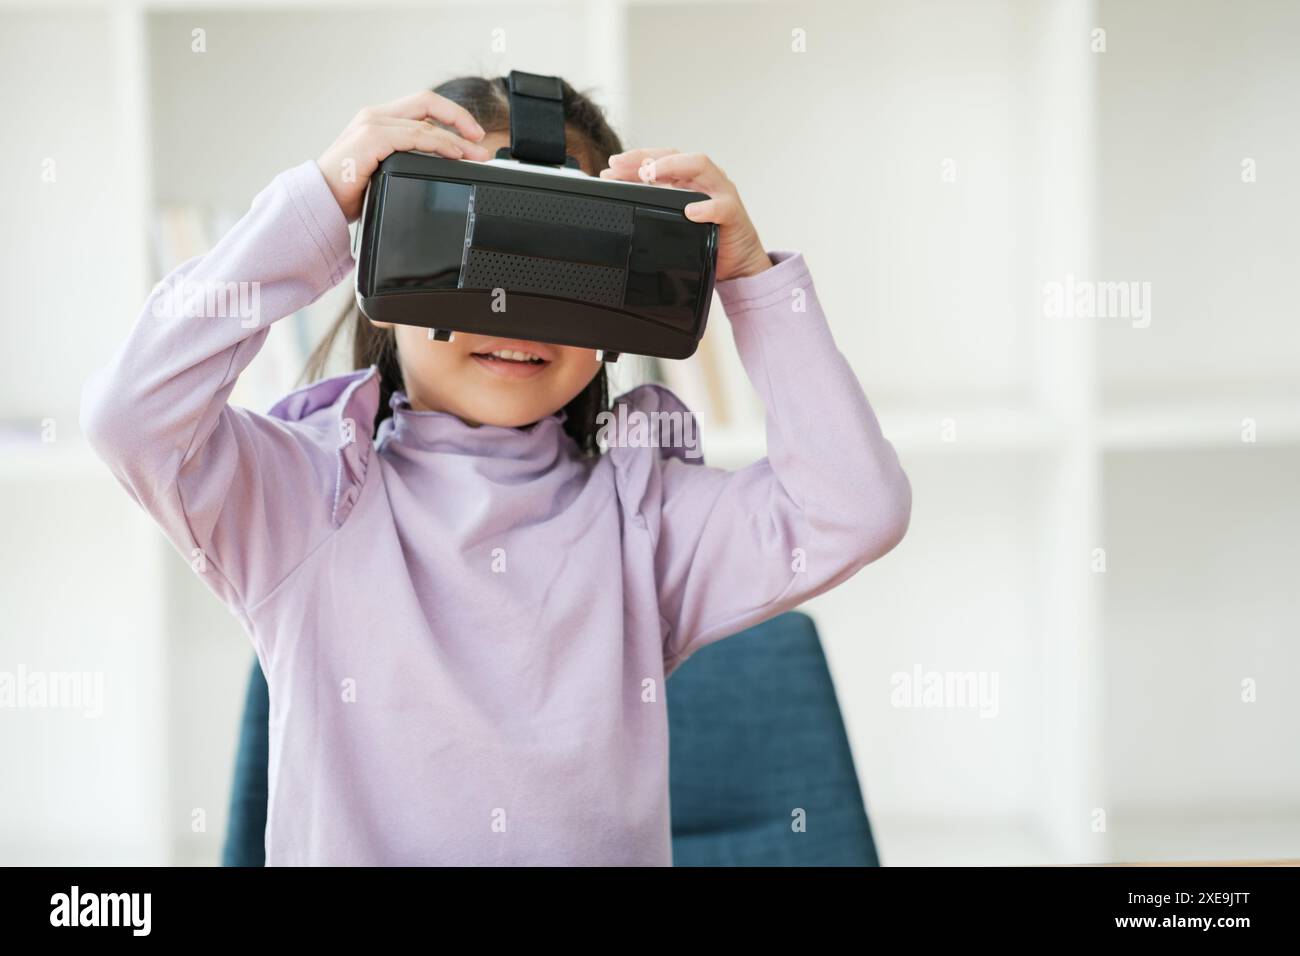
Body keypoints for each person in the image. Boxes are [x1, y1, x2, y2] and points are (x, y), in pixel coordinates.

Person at [80, 75, 912, 865]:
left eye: (568, 264)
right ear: (391, 275)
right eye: (479, 254)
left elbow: (854, 507)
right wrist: (318, 205)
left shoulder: (645, 523)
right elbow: (132, 417)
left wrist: (751, 279)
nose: (516, 307)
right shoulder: (305, 498)